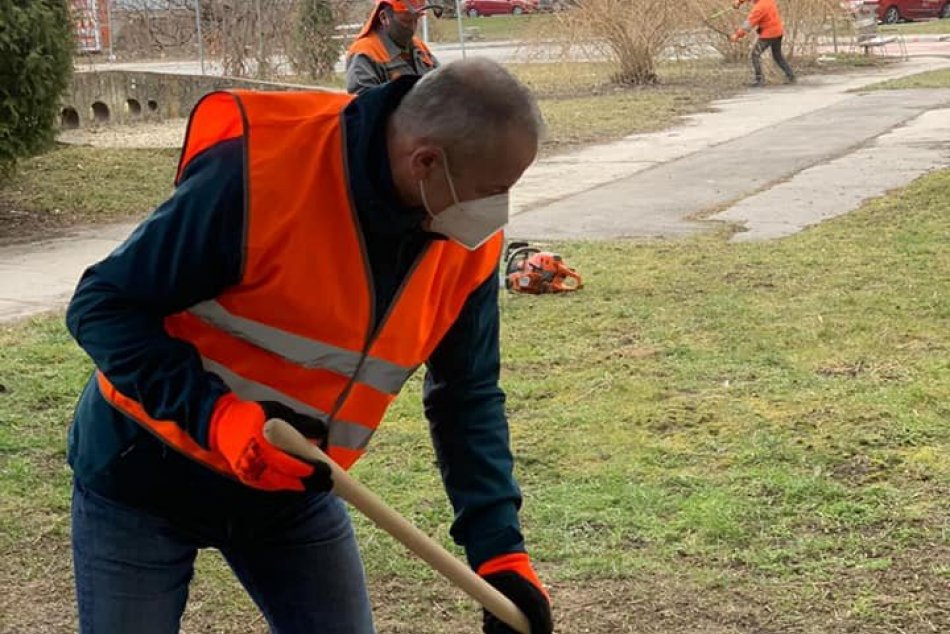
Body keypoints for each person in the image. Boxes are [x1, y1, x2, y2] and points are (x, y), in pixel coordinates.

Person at [65, 58, 553, 634]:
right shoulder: (262, 175)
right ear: (426, 162)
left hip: (292, 487)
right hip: (142, 475)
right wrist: (218, 419)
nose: (496, 212)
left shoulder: (465, 239)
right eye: (492, 191)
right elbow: (102, 304)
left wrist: (499, 551)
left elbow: (466, 396)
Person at [346, 0, 441, 95]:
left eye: (416, 19)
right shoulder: (365, 52)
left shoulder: (419, 46)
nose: (412, 28)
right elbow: (364, 105)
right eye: (406, 21)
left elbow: (442, 82)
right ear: (384, 18)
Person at [731, 0, 796, 87]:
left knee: (755, 54)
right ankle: (791, 76)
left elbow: (749, 24)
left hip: (769, 34)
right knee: (777, 55)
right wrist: (740, 1)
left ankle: (759, 80)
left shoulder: (759, 8)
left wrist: (737, 35)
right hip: (778, 31)